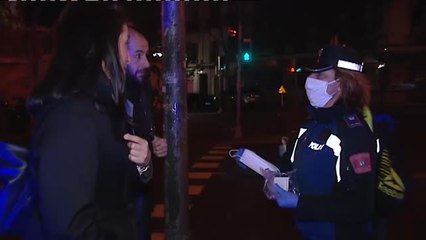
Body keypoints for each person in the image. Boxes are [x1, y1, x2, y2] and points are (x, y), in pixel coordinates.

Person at [23, 5, 152, 239]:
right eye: (124, 44)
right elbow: (69, 228)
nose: (125, 58)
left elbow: (114, 185)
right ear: (103, 47)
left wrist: (144, 164)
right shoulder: (71, 119)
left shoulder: (100, 107)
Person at [263, 45, 378, 240]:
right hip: (307, 232)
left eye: (320, 76)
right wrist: (263, 171)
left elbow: (360, 206)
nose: (310, 81)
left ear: (341, 84)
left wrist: (300, 204)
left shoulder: (353, 133)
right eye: (312, 74)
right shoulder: (311, 127)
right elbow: (290, 167)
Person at [126, 27, 168, 240]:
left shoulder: (140, 90)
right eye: (138, 55)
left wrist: (154, 142)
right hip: (120, 208)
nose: (146, 64)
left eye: (147, 55)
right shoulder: (106, 97)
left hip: (139, 199)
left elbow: (141, 131)